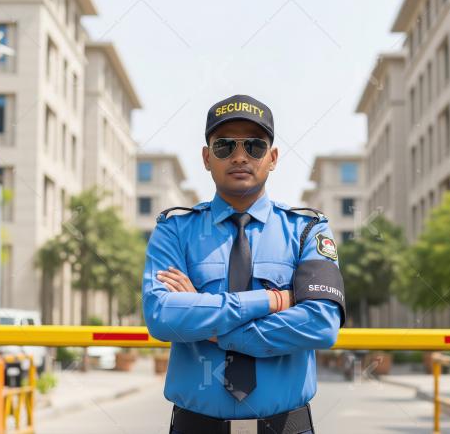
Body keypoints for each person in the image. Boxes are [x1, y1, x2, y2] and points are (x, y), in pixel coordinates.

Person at [142, 94, 346, 434]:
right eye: (224, 146)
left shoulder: (307, 229)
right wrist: (273, 300)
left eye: (254, 146)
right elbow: (163, 317)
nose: (239, 156)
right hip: (197, 426)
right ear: (207, 158)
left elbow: (322, 324)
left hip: (285, 426)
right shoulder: (174, 230)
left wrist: (208, 323)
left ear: (273, 157)